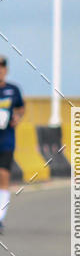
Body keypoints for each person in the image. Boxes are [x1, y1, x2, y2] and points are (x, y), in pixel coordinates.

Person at [0, 57, 25, 234]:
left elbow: (21, 108)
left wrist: (17, 117)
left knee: (3, 176)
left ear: (6, 70)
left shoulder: (13, 90)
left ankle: (0, 218)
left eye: (2, 67)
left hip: (6, 140)